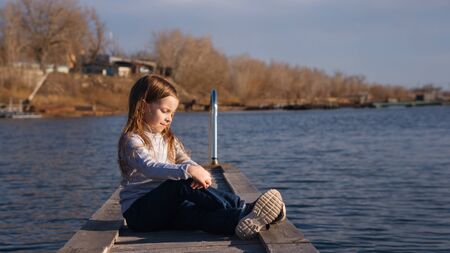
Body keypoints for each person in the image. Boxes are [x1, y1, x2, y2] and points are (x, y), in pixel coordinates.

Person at [117, 74, 286, 239]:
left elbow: (183, 159)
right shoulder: (132, 139)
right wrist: (189, 170)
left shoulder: (168, 138)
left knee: (196, 215)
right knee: (181, 183)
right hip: (139, 213)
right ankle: (244, 208)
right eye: (165, 111)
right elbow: (150, 167)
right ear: (143, 106)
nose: (169, 118)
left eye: (172, 114)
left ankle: (239, 220)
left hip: (164, 208)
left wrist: (195, 169)